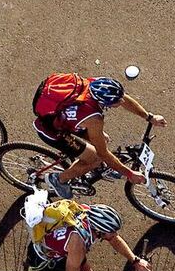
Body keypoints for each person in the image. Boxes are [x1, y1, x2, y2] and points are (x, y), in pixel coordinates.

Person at [33, 76, 167, 198]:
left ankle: (98, 167)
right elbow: (103, 154)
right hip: (53, 131)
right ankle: (59, 179)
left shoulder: (95, 85)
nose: (121, 101)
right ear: (104, 103)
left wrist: (149, 117)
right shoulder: (94, 119)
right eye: (116, 101)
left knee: (103, 140)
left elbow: (123, 98)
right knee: (96, 158)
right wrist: (129, 174)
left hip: (68, 119)